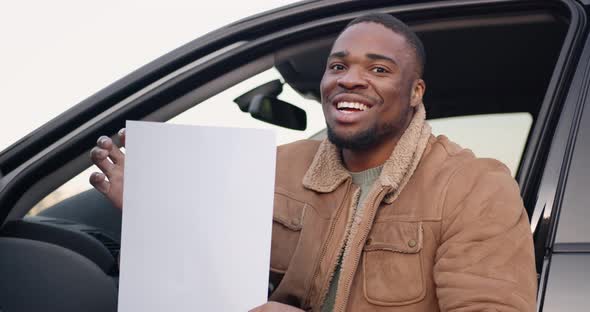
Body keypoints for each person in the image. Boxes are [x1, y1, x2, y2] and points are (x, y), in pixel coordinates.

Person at [90, 13, 537, 312]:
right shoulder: (272, 168)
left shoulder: (476, 187)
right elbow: (204, 280)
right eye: (338, 66)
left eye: (379, 70)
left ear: (416, 92)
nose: (350, 80)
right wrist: (151, 213)